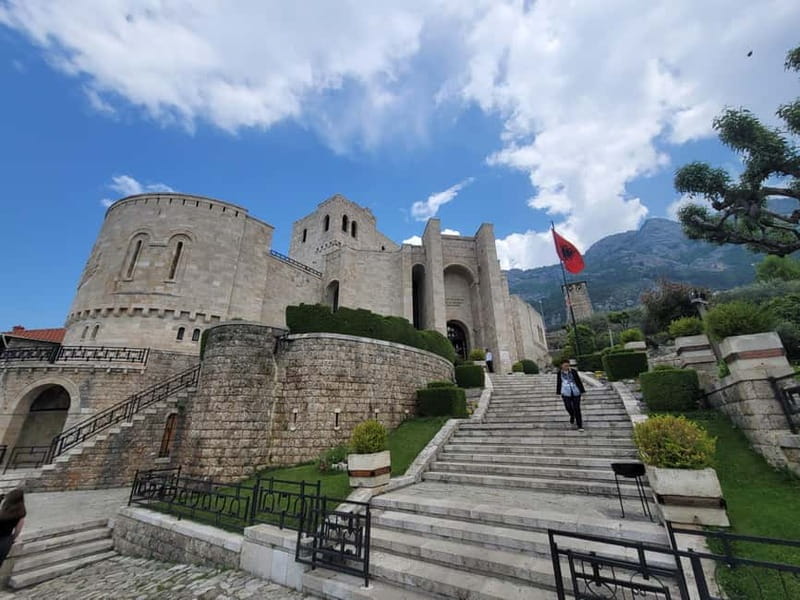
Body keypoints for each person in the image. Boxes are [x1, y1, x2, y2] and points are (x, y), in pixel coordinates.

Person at [556, 360, 585, 432]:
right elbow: (559, 382)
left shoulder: (573, 371)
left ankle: (580, 425)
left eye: (568, 365)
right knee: (568, 406)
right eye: (565, 365)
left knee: (577, 408)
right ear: (562, 366)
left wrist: (582, 391)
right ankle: (572, 415)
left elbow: (578, 381)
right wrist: (558, 392)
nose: (567, 367)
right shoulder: (559, 373)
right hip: (566, 392)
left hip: (575, 392)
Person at [0, 488, 26, 567]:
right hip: (5, 540)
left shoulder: (3, 511)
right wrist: (12, 538)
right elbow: (18, 530)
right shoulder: (21, 513)